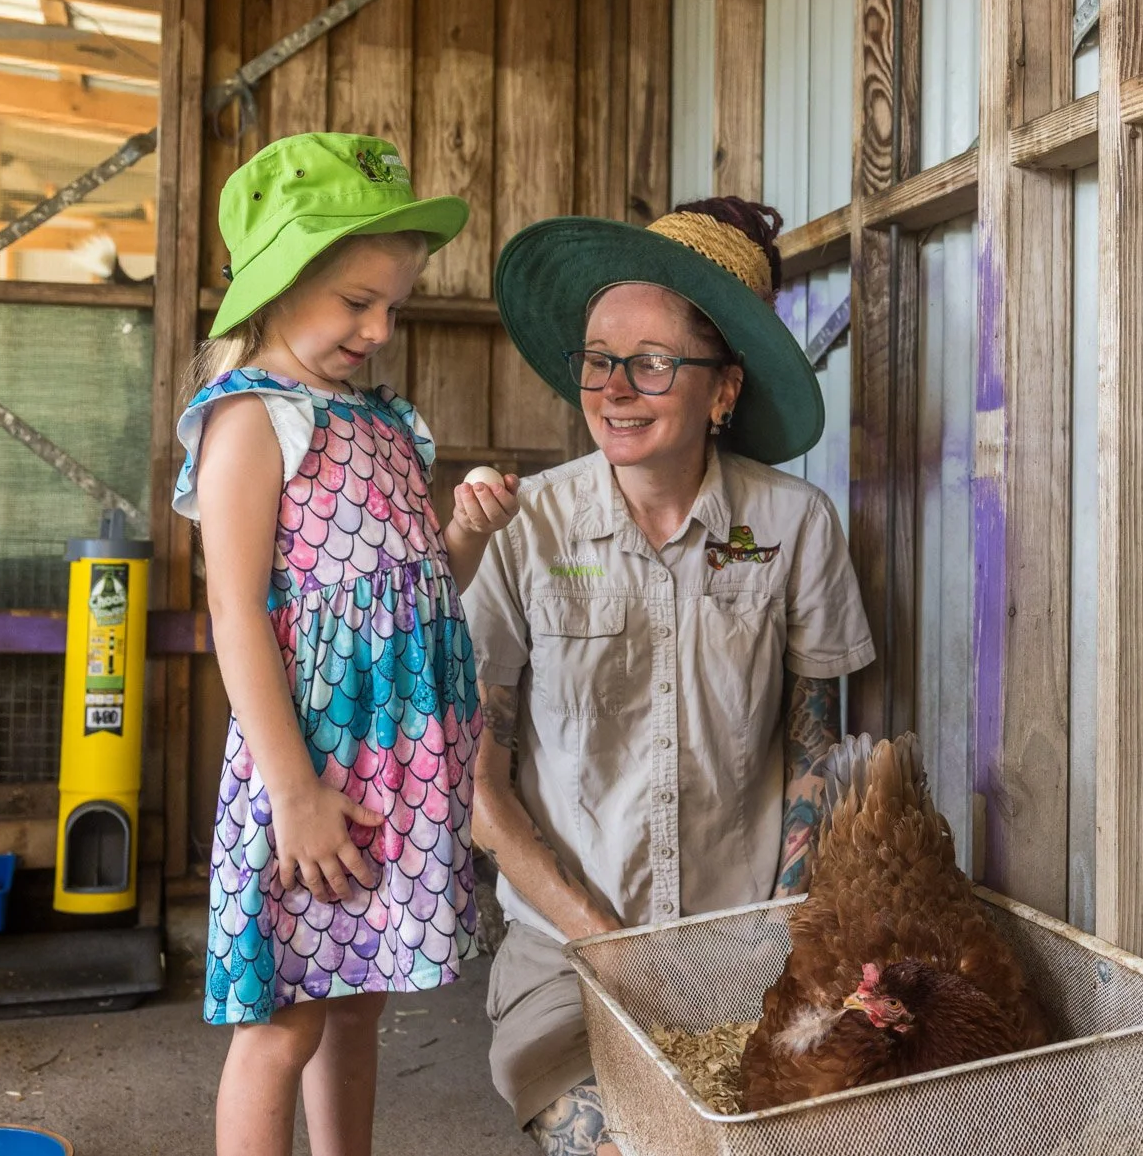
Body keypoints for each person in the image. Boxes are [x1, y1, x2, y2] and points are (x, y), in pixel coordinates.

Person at [464, 197, 876, 1154]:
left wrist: (783, 942)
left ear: (723, 390)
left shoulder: (793, 525)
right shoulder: (530, 530)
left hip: (745, 952)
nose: (615, 387)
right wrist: (599, 936)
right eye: (599, 359)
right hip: (565, 958)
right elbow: (472, 779)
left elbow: (813, 748)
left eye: (652, 362)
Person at [172, 132, 520, 1156]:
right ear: (277, 285)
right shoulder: (252, 422)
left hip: (394, 771)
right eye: (356, 301)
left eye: (391, 305)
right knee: (284, 1023)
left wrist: (463, 531)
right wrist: (294, 795)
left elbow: (412, 593)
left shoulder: (379, 422)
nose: (379, 325)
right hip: (315, 773)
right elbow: (236, 612)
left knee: (361, 1002)